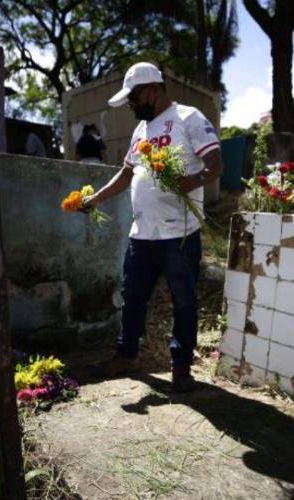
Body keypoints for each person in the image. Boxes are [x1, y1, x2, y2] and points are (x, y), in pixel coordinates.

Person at [84, 62, 223, 392]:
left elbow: (215, 165)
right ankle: (126, 355)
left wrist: (189, 182)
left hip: (179, 234)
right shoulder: (141, 131)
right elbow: (128, 173)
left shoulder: (188, 118)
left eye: (133, 98)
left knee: (184, 301)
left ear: (152, 90)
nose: (130, 105)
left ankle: (181, 368)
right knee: (132, 298)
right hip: (142, 235)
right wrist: (97, 198)